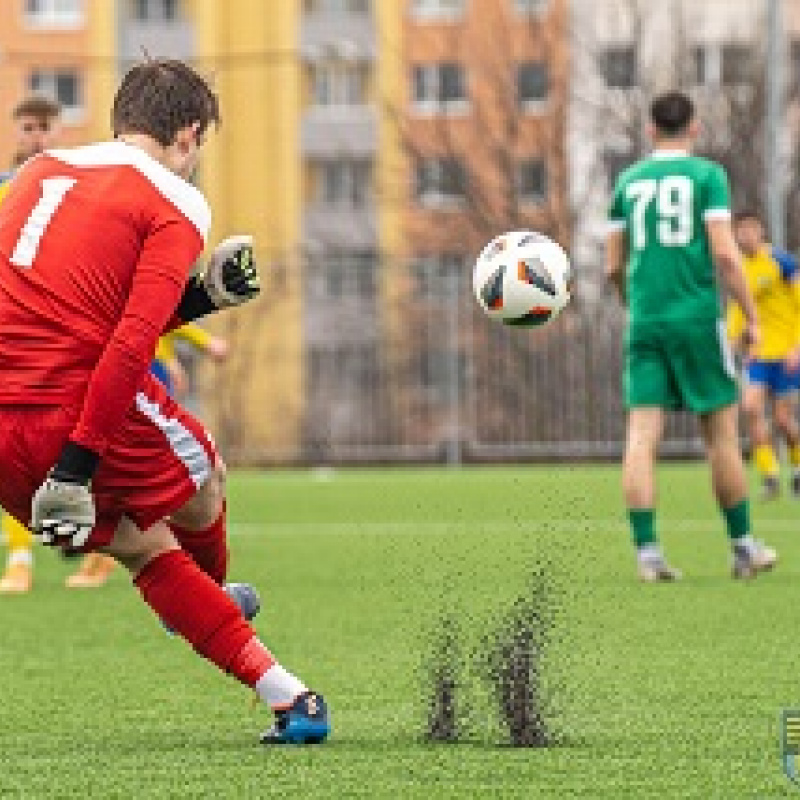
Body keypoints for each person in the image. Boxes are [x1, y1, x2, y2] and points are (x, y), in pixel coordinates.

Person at [0, 59, 330, 744]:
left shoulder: (39, 171)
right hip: (71, 399)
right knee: (206, 480)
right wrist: (75, 467)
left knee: (144, 549)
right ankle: (211, 600)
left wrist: (207, 295)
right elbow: (130, 343)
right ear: (188, 133)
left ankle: (292, 701)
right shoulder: (175, 200)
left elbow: (68, 302)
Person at [606, 90, 777, 582]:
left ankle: (648, 554)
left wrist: (632, 304)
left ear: (650, 130)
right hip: (698, 318)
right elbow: (725, 254)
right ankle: (743, 547)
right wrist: (751, 315)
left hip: (646, 320)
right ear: (695, 129)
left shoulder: (628, 180)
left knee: (641, 436)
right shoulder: (707, 176)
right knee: (721, 436)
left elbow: (614, 263)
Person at [66, 322, 228, 588]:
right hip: (126, 367)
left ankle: (182, 573)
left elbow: (161, 311)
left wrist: (196, 346)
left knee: (121, 466)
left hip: (140, 370)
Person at [0, 95, 63, 593]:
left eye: (45, 128)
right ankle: (19, 557)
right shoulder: (4, 191)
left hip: (62, 341)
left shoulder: (71, 193)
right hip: (11, 339)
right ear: (15, 131)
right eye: (28, 127)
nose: (36, 136)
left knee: (77, 450)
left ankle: (109, 551)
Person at [727, 210, 800, 500]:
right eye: (739, 230)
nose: (745, 235)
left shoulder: (781, 262)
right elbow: (736, 311)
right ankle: (770, 475)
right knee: (751, 409)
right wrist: (732, 341)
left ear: (761, 231)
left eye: (750, 229)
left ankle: (796, 468)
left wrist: (797, 346)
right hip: (758, 355)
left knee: (783, 420)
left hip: (786, 353)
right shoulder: (738, 268)